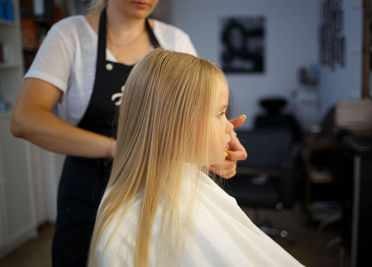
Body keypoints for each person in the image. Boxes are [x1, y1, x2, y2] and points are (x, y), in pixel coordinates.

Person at [10, 0, 247, 266]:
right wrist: (123, 147)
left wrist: (223, 139)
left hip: (161, 191)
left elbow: (201, 108)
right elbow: (25, 119)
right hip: (88, 188)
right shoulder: (70, 36)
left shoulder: (174, 40)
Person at [88, 49, 303, 267]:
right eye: (221, 114)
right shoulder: (128, 230)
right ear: (174, 124)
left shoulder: (182, 185)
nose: (231, 126)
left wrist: (220, 139)